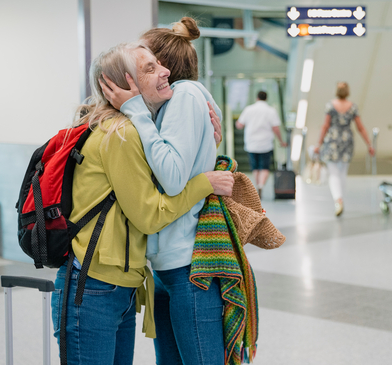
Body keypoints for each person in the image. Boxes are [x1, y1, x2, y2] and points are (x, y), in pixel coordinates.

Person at [51, 42, 234, 365]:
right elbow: (151, 215)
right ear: (124, 86)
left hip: (116, 285)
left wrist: (206, 138)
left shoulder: (129, 128)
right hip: (94, 285)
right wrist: (204, 183)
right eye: (149, 68)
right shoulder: (121, 134)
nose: (165, 73)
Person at [101, 17, 228, 365]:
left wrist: (136, 112)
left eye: (148, 63)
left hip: (187, 265)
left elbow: (172, 178)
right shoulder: (170, 107)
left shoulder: (184, 96)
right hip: (165, 265)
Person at [314, 82, 375, 216]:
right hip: (347, 141)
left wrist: (318, 144)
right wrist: (369, 144)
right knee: (342, 172)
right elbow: (360, 127)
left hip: (333, 141)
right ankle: (340, 198)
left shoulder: (330, 106)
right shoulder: (352, 107)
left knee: (333, 172)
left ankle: (338, 199)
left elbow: (325, 126)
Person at [235, 91, 287, 198]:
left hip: (251, 143)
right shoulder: (271, 111)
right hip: (266, 143)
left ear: (257, 98)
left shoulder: (248, 109)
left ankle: (257, 184)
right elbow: (276, 128)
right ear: (266, 98)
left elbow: (239, 125)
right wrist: (281, 141)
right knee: (264, 167)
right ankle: (261, 185)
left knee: (255, 167)